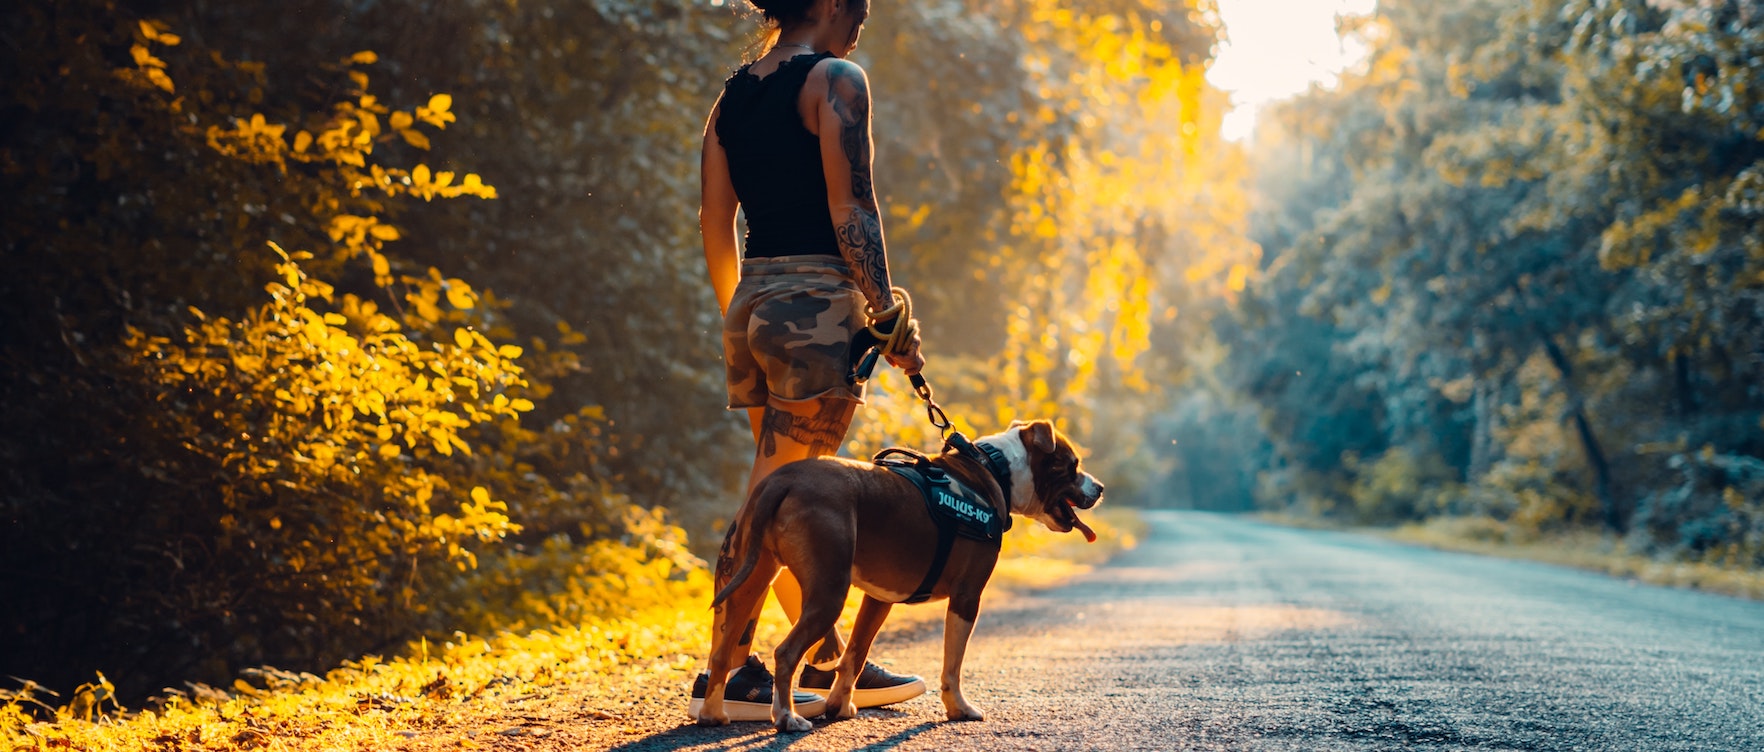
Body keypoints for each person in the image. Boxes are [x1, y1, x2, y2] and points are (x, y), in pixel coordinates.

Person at [689, 0, 929, 722]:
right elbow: (853, 208)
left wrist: (742, 312)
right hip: (816, 308)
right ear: (827, 3)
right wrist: (886, 316)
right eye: (857, 6)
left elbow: (714, 219)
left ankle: (825, 658)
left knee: (786, 496)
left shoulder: (732, 96)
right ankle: (729, 673)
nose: (862, 20)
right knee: (773, 501)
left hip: (754, 307)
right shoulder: (836, 80)